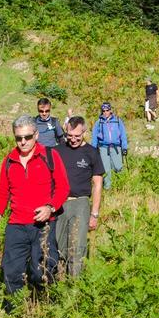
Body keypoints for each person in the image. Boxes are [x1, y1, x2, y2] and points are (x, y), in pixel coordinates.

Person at [0, 116, 69, 315]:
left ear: (36, 135)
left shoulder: (50, 156)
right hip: (16, 225)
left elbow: (63, 187)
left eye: (27, 137)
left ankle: (44, 311)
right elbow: (2, 194)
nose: (23, 142)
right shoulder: (9, 161)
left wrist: (50, 207)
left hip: (44, 226)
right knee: (12, 273)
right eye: (18, 138)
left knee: (41, 271)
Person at [55, 116, 104, 278]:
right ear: (65, 131)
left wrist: (94, 214)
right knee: (58, 246)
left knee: (77, 248)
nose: (73, 139)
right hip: (59, 205)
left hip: (80, 203)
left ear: (84, 132)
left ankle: (75, 288)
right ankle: (59, 285)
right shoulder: (57, 150)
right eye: (70, 135)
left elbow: (97, 184)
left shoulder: (92, 152)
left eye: (77, 136)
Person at [91, 102, 128, 189]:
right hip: (103, 148)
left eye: (107, 110)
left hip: (116, 147)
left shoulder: (117, 121)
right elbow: (94, 137)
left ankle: (121, 185)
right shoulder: (99, 122)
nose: (105, 112)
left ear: (110, 110)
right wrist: (93, 149)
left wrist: (124, 147)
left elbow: (123, 135)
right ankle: (108, 187)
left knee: (118, 167)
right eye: (103, 111)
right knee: (106, 169)